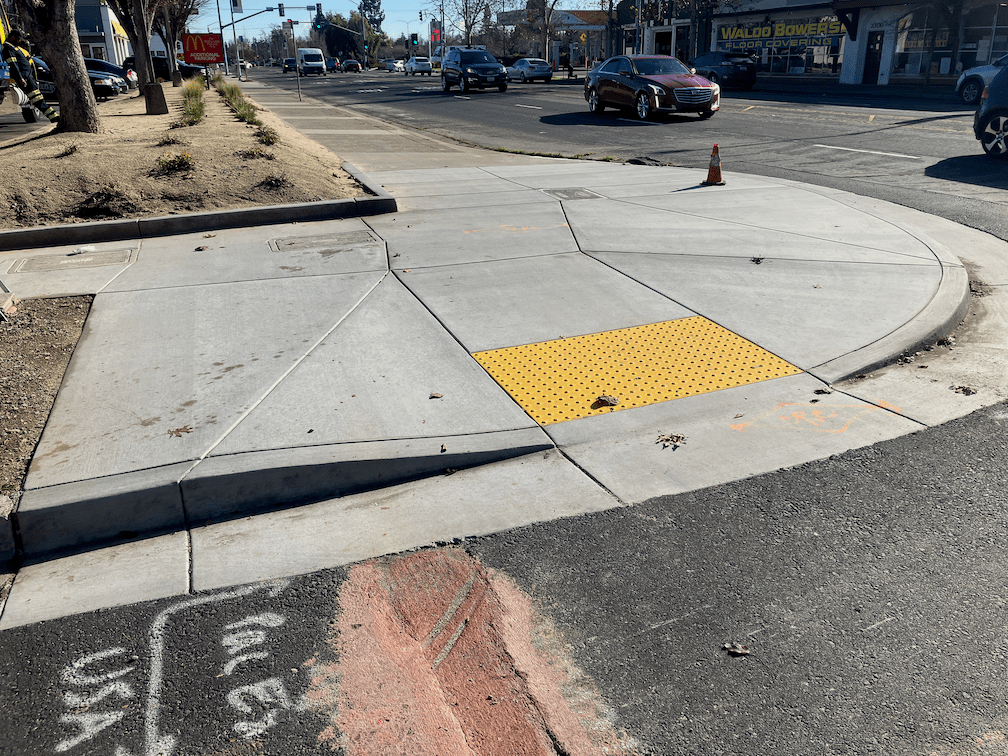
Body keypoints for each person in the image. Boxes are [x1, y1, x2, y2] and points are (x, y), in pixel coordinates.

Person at [2, 28, 59, 123]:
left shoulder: (13, 47)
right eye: (19, 38)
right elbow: (13, 65)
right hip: (24, 77)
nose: (20, 41)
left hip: (28, 76)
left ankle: (54, 116)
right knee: (37, 99)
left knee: (38, 97)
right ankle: (54, 117)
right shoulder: (8, 47)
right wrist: (20, 78)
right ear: (12, 37)